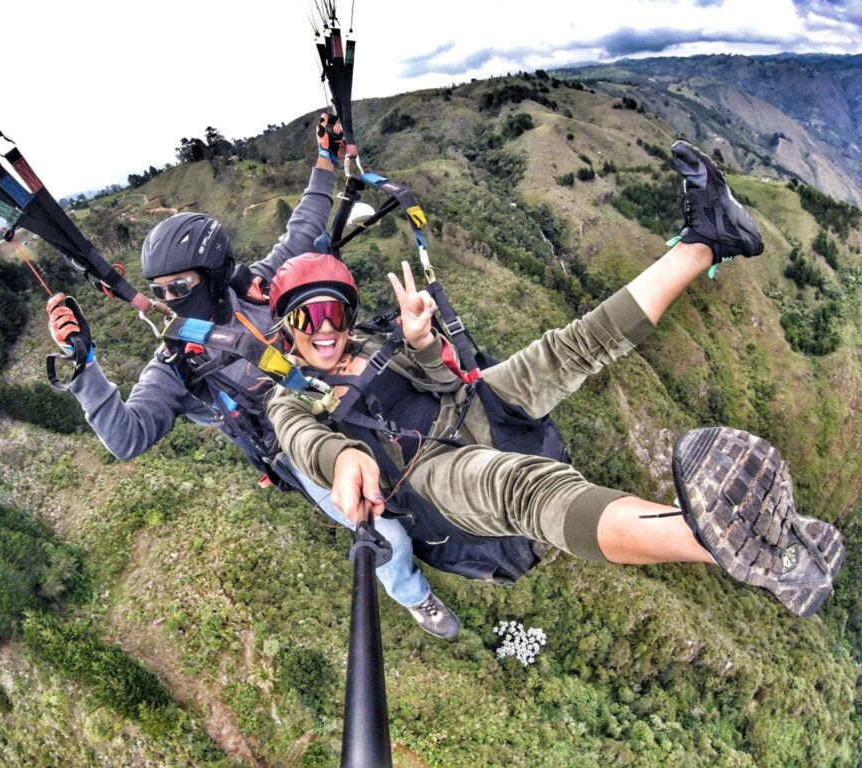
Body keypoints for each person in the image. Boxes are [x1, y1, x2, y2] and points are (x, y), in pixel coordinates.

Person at [265, 141, 845, 618]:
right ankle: (742, 549)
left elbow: (442, 385)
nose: (324, 330)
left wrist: (421, 344)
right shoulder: (288, 398)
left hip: (467, 406)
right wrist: (341, 460)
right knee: (526, 489)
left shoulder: (367, 339)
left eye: (334, 313)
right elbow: (304, 442)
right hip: (429, 474)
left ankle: (709, 240)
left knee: (571, 346)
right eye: (305, 318)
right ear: (285, 328)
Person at [45, 115, 460, 639]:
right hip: (297, 442)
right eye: (162, 288)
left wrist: (326, 160)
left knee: (437, 416)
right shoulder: (179, 364)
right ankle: (415, 595)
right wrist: (84, 368)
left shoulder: (259, 287)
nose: (170, 298)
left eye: (180, 285)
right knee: (386, 533)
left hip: (340, 387)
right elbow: (126, 437)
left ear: (215, 274)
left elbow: (307, 225)